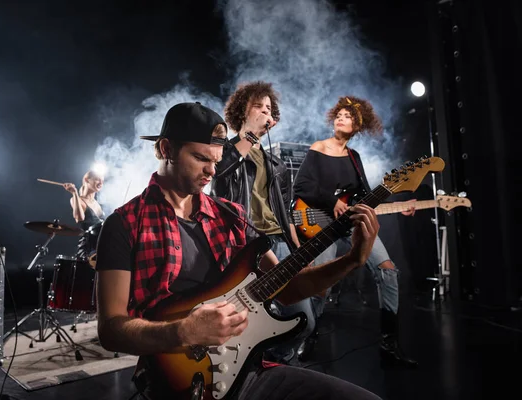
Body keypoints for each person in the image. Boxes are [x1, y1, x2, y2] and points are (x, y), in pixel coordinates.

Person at [95, 101, 383, 400]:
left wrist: (351, 260)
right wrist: (183, 331)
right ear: (166, 149)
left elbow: (287, 288)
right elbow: (111, 330)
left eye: (216, 161)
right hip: (176, 384)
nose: (211, 171)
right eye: (200, 158)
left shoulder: (232, 216)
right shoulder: (125, 224)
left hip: (249, 372)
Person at [292, 95, 418, 367]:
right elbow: (300, 187)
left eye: (348, 116)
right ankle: (308, 335)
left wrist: (400, 204)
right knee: (321, 282)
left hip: (353, 224)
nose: (341, 118)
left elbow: (365, 198)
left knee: (388, 270)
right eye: (339, 114)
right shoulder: (319, 147)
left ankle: (389, 342)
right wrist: (332, 201)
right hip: (322, 223)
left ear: (358, 125)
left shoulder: (354, 157)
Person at [211, 81, 316, 364]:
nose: (264, 111)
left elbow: (285, 214)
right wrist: (251, 134)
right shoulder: (223, 150)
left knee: (304, 321)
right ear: (241, 110)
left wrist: (298, 252)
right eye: (258, 105)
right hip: (245, 248)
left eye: (268, 108)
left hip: (279, 244)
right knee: (250, 326)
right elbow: (218, 175)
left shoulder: (276, 164)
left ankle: (272, 367)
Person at [63, 170, 105, 267]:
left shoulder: (98, 204)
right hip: (88, 250)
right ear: (87, 180)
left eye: (102, 181)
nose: (100, 183)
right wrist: (74, 193)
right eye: (97, 179)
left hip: (101, 248)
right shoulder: (77, 199)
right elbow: (79, 218)